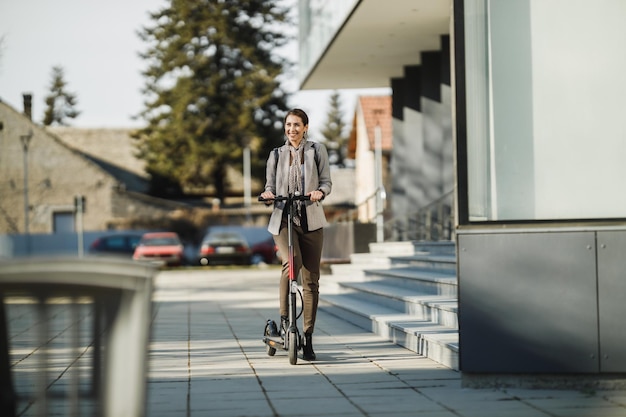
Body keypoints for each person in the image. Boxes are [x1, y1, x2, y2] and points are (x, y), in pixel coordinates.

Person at [260, 108, 332, 361]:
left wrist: (320, 193)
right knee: (291, 264)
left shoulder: (316, 150)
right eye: (288, 125)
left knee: (311, 279)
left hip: (311, 218)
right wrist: (268, 195)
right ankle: (284, 320)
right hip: (283, 219)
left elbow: (326, 182)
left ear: (306, 127)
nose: (292, 129)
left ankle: (309, 335)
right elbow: (269, 186)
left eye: (297, 125)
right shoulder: (276, 154)